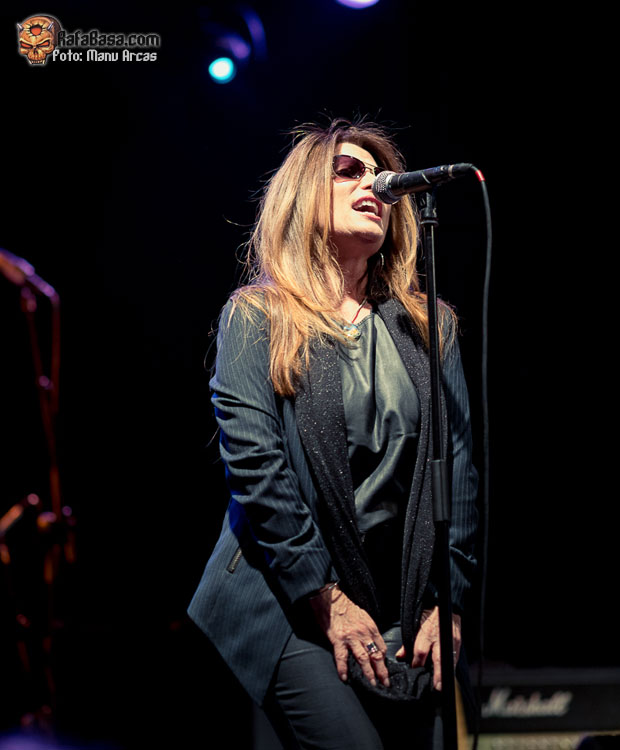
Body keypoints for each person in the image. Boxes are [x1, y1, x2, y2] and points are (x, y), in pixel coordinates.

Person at [188, 118, 478, 749]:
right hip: (289, 593)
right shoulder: (258, 316)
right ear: (302, 195)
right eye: (348, 171)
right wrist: (326, 597)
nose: (373, 184)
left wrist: (449, 603)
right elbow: (256, 466)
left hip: (401, 600)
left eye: (380, 175)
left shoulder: (430, 327)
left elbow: (458, 469)